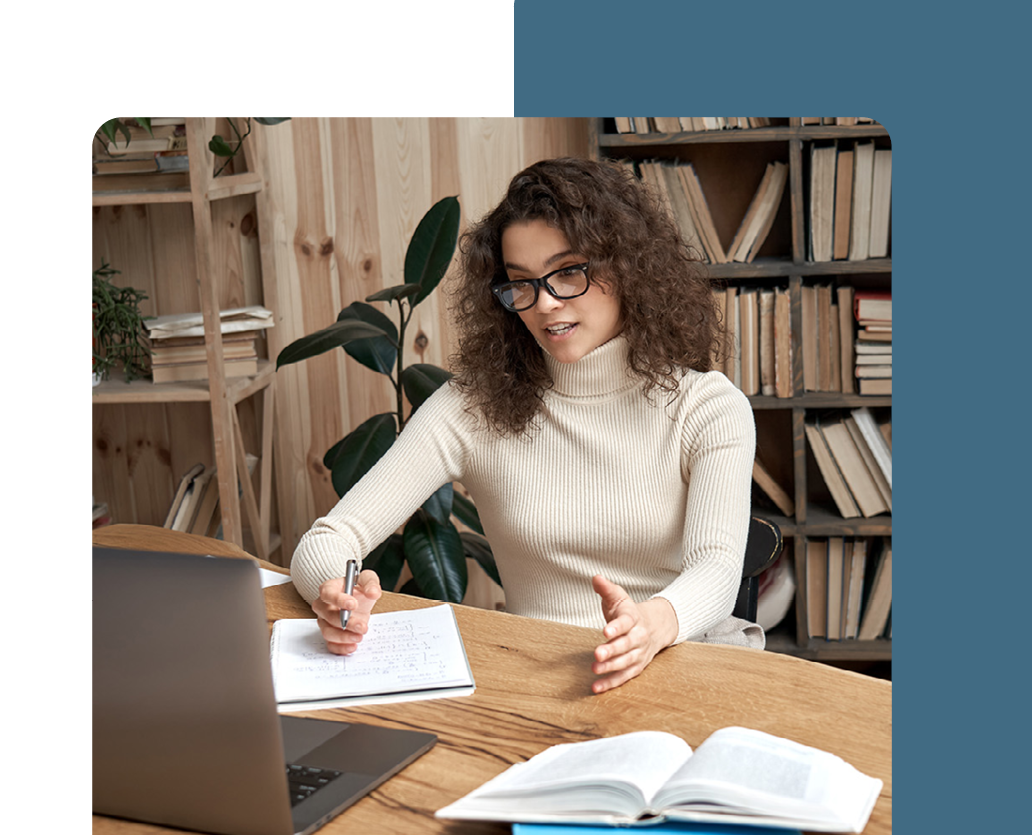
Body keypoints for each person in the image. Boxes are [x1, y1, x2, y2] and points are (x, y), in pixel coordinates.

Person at [290, 156, 760, 693]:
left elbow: (717, 569)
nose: (546, 304)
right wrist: (334, 593)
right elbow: (329, 538)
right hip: (538, 681)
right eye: (522, 284)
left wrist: (651, 625)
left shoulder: (706, 407)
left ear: (627, 267)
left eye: (568, 272)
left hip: (678, 663)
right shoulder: (469, 407)